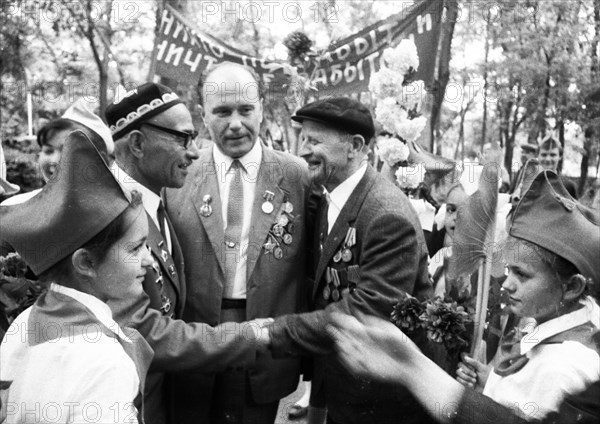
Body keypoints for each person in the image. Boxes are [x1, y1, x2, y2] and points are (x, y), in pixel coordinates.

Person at [327, 168, 600, 423]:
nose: (508, 284)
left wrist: (410, 367)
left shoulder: (566, 368)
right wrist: (490, 381)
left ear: (573, 287)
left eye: (522, 275)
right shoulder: (550, 323)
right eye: (510, 271)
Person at [104, 82, 272, 424]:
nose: (194, 153)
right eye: (183, 138)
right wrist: (244, 335)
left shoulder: (155, 203)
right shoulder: (110, 220)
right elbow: (142, 331)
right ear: (137, 143)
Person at [267, 97, 434, 424]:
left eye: (314, 141)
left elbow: (366, 313)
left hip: (383, 395)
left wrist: (274, 330)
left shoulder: (387, 215)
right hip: (343, 379)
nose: (303, 151)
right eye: (303, 139)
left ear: (355, 146)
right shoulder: (330, 197)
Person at [164, 62, 311, 424]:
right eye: (222, 112)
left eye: (246, 110)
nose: (235, 123)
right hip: (192, 342)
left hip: (264, 343)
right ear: (202, 114)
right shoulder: (175, 176)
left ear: (261, 107)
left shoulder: (298, 176)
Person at [0, 130, 153, 423]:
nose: (148, 260)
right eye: (135, 248)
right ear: (86, 262)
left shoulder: (25, 322)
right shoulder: (106, 364)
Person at [1, 98, 115, 206]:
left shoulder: (121, 216)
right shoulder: (16, 209)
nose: (53, 161)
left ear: (101, 160)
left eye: (68, 150)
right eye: (48, 151)